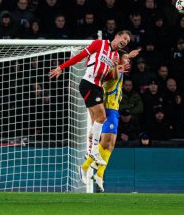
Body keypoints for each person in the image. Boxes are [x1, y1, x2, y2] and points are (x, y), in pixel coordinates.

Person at [50, 30, 132, 165]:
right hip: (88, 83)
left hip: (98, 87)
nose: (125, 42)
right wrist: (61, 67)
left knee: (95, 121)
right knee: (102, 117)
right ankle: (94, 150)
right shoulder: (99, 44)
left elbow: (107, 77)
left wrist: (117, 68)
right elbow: (80, 56)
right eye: (124, 38)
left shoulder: (115, 55)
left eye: (127, 41)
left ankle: (89, 151)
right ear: (117, 36)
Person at [78, 49, 140, 192]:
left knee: (111, 144)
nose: (128, 63)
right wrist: (119, 64)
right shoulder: (113, 70)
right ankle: (86, 166)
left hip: (115, 108)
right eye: (125, 60)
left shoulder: (120, 68)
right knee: (105, 142)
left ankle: (99, 174)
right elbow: (113, 72)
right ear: (117, 60)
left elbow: (120, 63)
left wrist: (127, 56)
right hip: (108, 107)